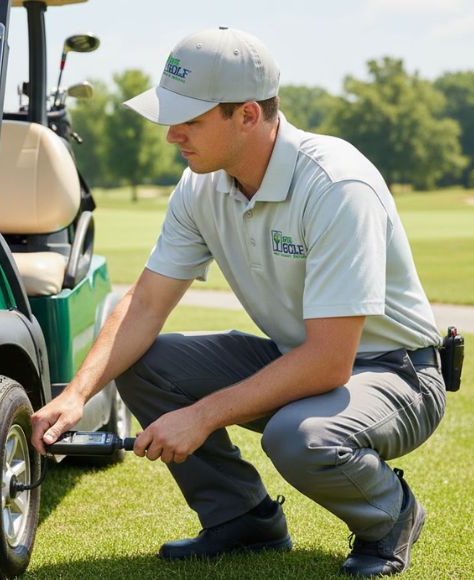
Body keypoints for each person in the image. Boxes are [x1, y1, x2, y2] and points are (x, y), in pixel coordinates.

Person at [30, 26, 446, 577]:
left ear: (248, 115)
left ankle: (391, 516)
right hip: (299, 357)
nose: (171, 135)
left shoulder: (336, 184)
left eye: (190, 119)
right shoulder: (200, 186)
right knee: (146, 364)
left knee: (299, 437)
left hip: (398, 373)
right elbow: (146, 303)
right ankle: (243, 520)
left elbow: (329, 361)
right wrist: (77, 394)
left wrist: (200, 417)